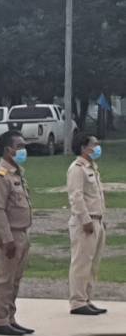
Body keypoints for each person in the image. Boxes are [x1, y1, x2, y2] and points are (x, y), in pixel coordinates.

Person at [0, 133, 35, 336]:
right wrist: (7, 239)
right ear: (8, 149)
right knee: (5, 279)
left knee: (15, 279)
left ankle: (10, 317)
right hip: (9, 234)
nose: (23, 149)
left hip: (22, 231)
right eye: (20, 146)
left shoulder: (18, 173)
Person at [68, 134, 108, 316]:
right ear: (84, 147)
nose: (97, 147)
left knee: (93, 263)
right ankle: (77, 301)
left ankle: (87, 298)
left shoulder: (93, 168)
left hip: (97, 219)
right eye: (94, 144)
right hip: (86, 221)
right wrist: (85, 220)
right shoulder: (77, 169)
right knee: (81, 261)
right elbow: (76, 197)